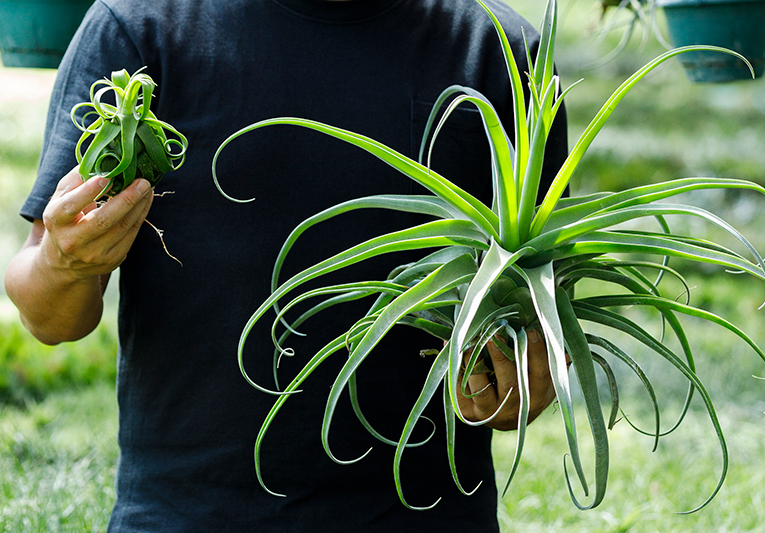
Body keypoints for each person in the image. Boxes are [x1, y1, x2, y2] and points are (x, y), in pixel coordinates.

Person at [4, 0, 568, 530]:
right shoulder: (142, 28)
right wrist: (65, 264)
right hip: (188, 514)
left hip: (428, 515)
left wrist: (524, 380)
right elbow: (50, 317)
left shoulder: (498, 51)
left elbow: (540, 325)